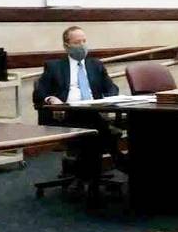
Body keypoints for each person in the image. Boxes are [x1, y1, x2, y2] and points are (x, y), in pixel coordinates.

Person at [32, 25, 124, 171]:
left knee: (92, 130)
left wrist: (108, 99)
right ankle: (118, 160)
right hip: (65, 114)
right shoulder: (54, 66)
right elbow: (39, 93)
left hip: (94, 111)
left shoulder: (96, 65)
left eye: (84, 41)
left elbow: (112, 88)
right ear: (66, 46)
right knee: (96, 127)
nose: (82, 45)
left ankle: (87, 172)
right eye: (77, 42)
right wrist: (52, 99)